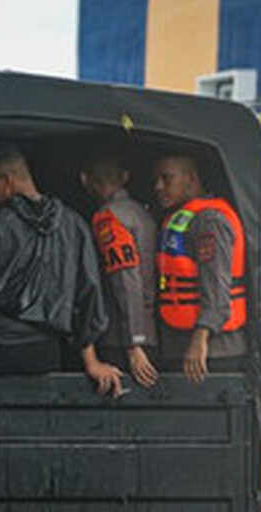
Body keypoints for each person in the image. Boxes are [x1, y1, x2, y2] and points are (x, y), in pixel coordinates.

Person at [0, 143, 122, 394]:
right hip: (43, 354)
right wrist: (91, 361)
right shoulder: (73, 224)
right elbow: (89, 294)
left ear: (7, 181)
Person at [152, 154, 248, 383]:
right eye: (156, 180)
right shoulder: (180, 218)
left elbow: (216, 283)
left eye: (167, 178)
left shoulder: (210, 221)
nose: (158, 186)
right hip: (182, 343)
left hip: (211, 351)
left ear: (191, 178)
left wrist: (201, 337)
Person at [80, 156, 160, 388]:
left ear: (85, 180)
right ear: (125, 177)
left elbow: (126, 279)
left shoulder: (109, 217)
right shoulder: (145, 214)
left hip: (121, 339)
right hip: (150, 331)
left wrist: (134, 343)